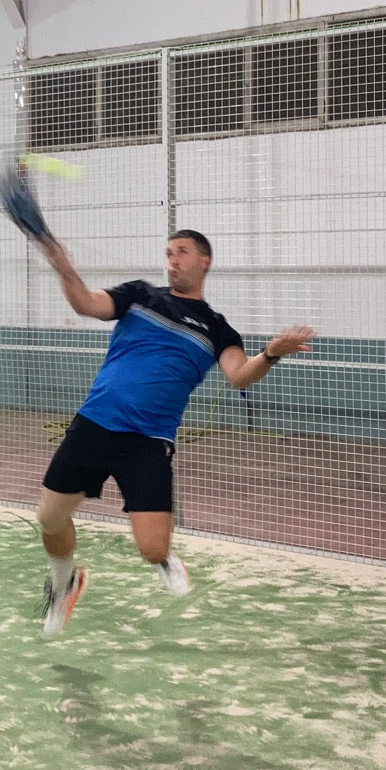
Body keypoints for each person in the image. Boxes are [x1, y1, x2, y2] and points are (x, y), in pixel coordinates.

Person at [35, 228, 315, 637]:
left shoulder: (216, 328)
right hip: (95, 424)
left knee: (153, 549)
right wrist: (63, 267)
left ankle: (164, 558)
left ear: (205, 261)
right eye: (168, 253)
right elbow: (86, 303)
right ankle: (65, 583)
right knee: (49, 519)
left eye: (182, 252)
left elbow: (239, 374)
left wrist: (271, 353)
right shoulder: (140, 295)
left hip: (148, 442)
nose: (173, 260)